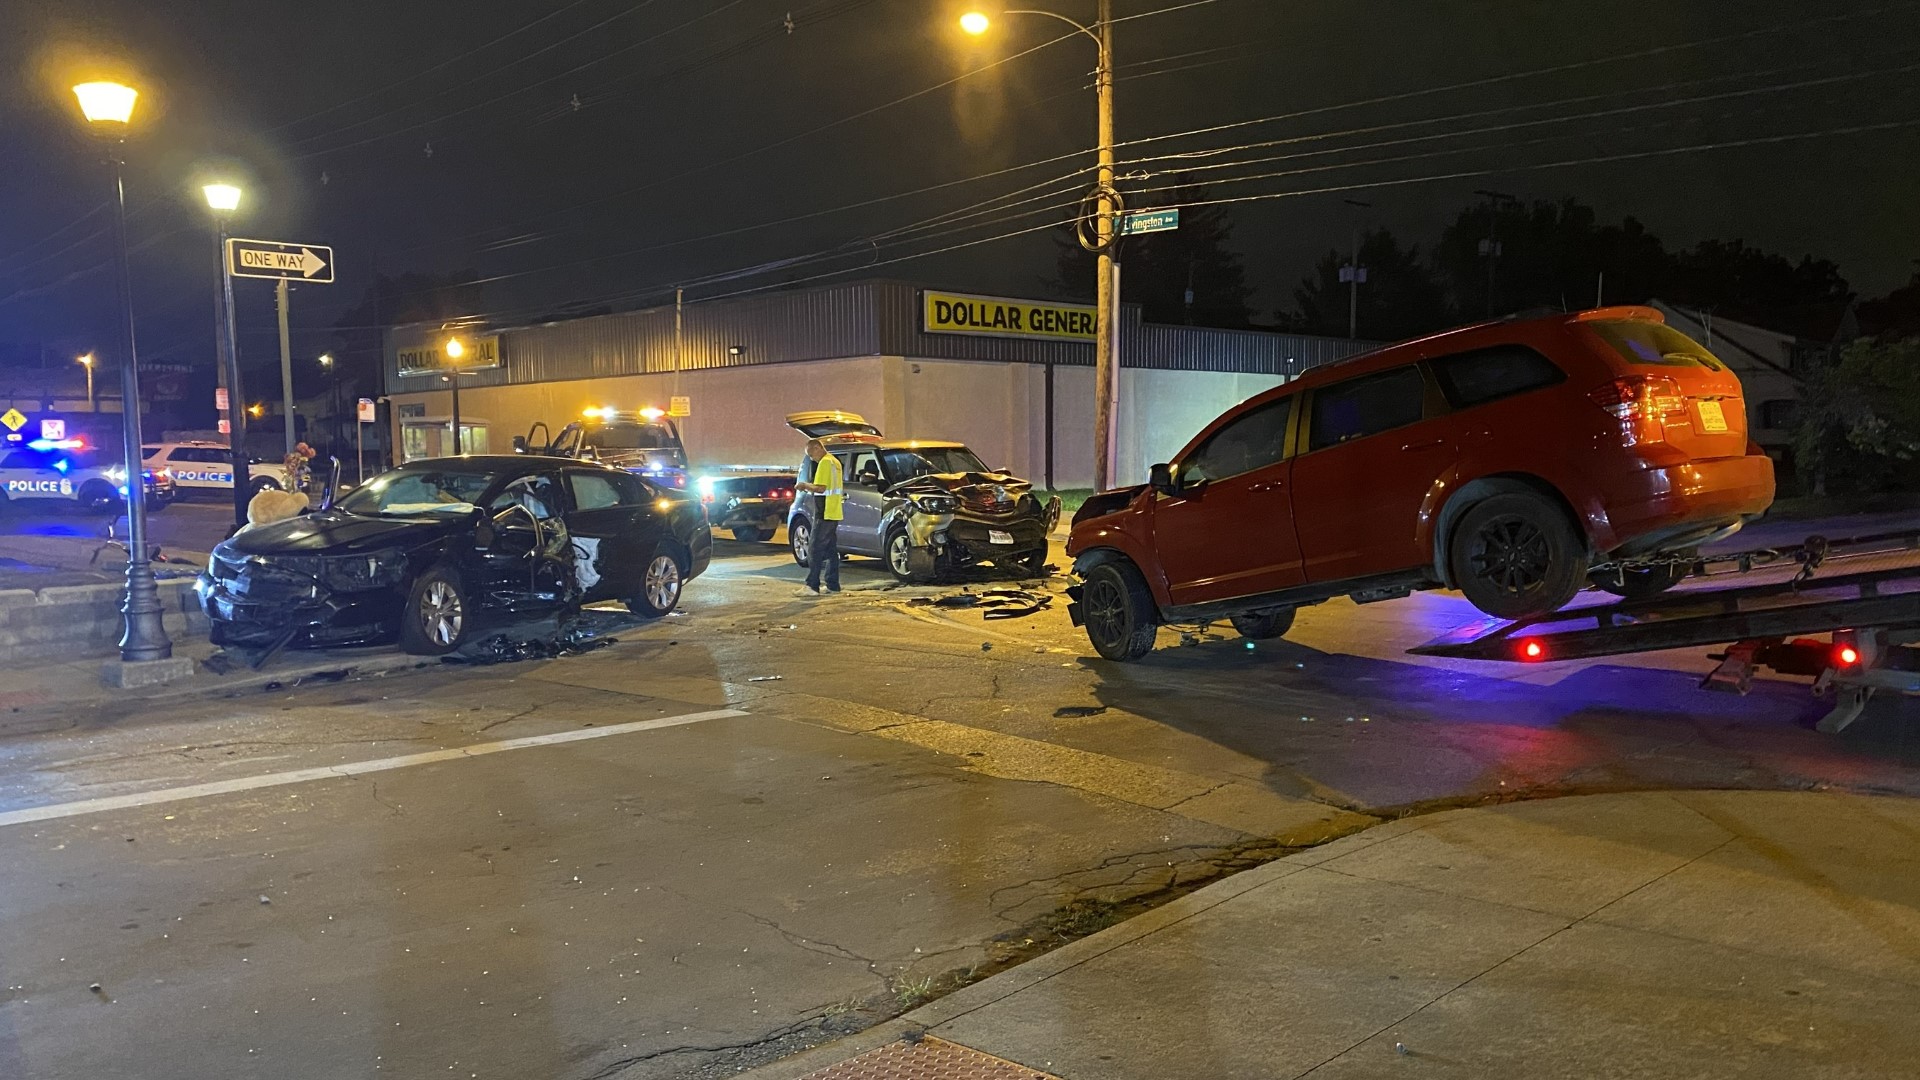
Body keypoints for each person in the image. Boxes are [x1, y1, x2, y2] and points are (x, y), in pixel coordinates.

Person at [794, 438, 843, 594]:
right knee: (831, 551)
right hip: (834, 511)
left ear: (817, 448)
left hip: (824, 512)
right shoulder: (835, 462)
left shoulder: (824, 462)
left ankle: (812, 585)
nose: (811, 458)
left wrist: (804, 485)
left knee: (814, 548)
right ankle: (832, 585)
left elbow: (821, 488)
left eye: (810, 454)